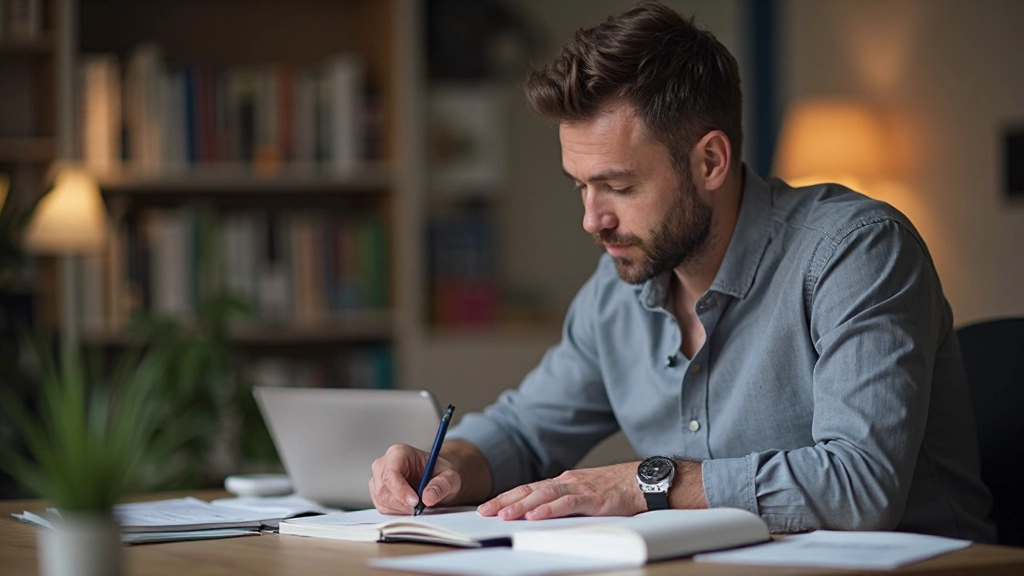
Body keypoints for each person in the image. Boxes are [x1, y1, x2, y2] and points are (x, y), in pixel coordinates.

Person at [369, 1, 995, 541]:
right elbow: (527, 430)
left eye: (616, 186)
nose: (592, 220)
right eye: (580, 186)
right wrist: (448, 461)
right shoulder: (618, 291)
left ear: (711, 161)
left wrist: (651, 483)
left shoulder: (856, 253)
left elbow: (861, 483)